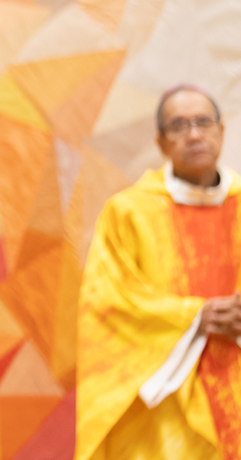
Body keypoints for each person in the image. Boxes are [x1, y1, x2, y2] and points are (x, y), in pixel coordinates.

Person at [77, 85, 241, 460]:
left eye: (203, 122)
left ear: (221, 130)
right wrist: (196, 316)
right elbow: (108, 305)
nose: (194, 134)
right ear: (161, 142)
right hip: (167, 399)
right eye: (179, 126)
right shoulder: (129, 213)